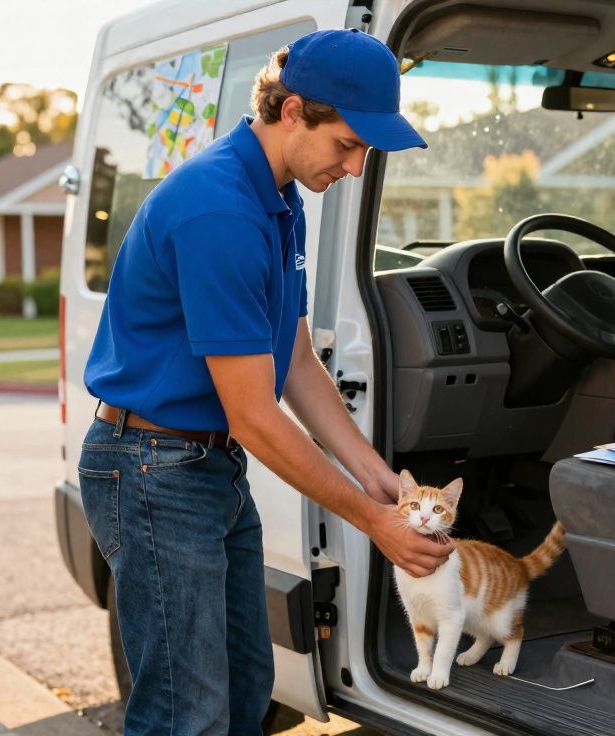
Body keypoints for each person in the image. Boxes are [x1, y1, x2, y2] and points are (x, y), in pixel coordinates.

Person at [77, 28, 453, 735]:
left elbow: (297, 361)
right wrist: (372, 523)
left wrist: (375, 476)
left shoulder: (282, 201)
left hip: (205, 466)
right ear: (293, 111)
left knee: (249, 692)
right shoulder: (220, 208)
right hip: (152, 471)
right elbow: (253, 413)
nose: (353, 166)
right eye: (347, 144)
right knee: (186, 716)